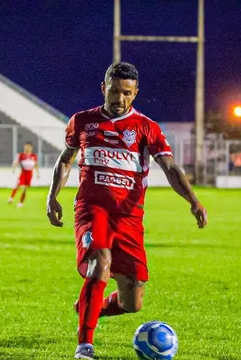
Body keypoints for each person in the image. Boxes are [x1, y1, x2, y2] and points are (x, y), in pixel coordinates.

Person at [45, 62, 208, 359]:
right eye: (114, 90)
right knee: (100, 262)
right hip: (92, 208)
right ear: (103, 87)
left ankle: (89, 308)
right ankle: (85, 345)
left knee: (133, 301)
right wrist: (52, 196)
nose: (119, 98)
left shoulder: (147, 127)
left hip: (129, 217)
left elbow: (169, 167)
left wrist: (193, 200)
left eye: (126, 93)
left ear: (135, 94)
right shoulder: (82, 121)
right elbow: (66, 159)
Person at [9, 142, 39, 208]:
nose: (27, 148)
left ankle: (21, 202)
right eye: (26, 146)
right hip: (23, 173)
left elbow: (36, 165)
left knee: (25, 189)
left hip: (30, 173)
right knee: (19, 186)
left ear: (31, 148)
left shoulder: (33, 156)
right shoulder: (21, 155)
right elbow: (15, 162)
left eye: (28, 147)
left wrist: (37, 173)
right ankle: (11, 197)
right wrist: (13, 168)